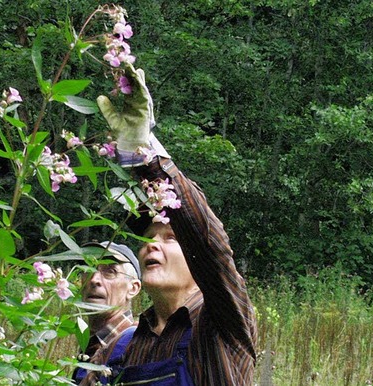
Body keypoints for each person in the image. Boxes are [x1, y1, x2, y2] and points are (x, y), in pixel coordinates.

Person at [80, 64, 257, 385]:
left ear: (194, 257)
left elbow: (208, 242)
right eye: (148, 237)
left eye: (170, 237)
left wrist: (142, 152)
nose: (152, 244)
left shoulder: (223, 324)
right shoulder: (119, 350)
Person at [72, 241, 142, 384]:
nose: (94, 279)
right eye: (88, 268)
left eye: (110, 271)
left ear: (133, 288)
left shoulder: (137, 345)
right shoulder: (90, 344)